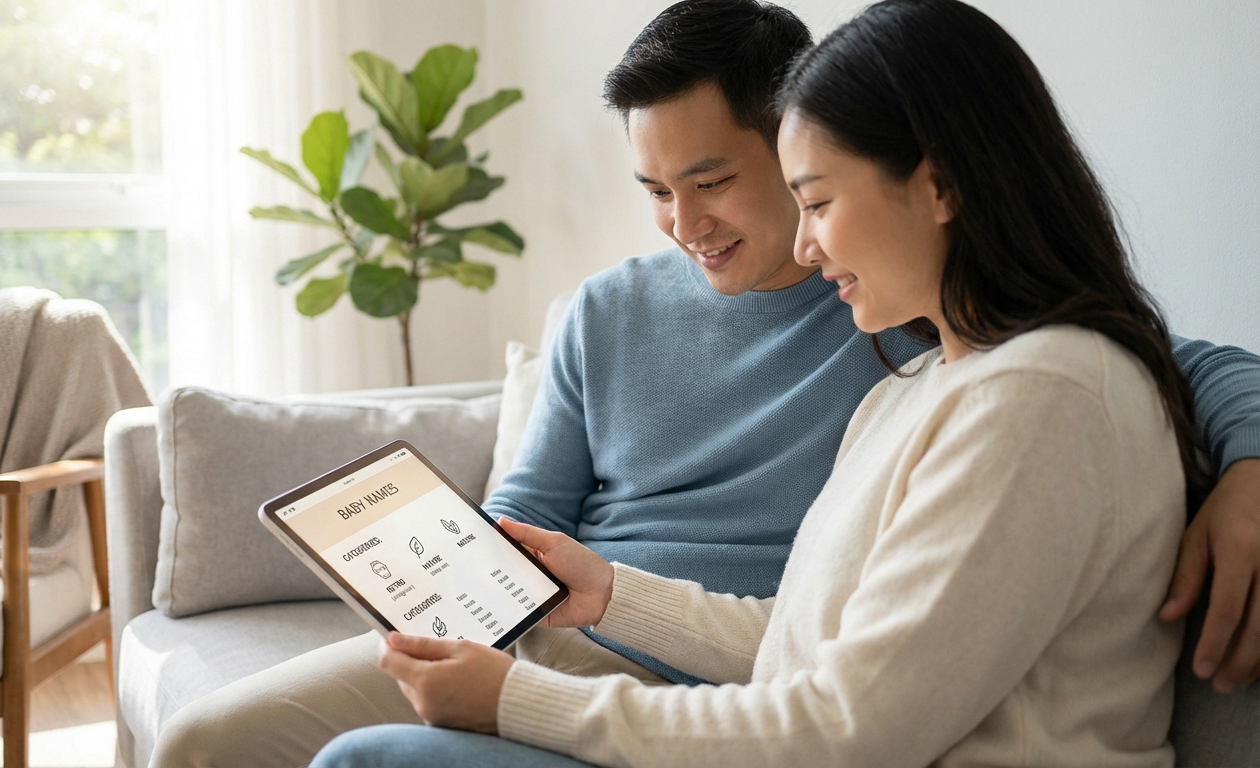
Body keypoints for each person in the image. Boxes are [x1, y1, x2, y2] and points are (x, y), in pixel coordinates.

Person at [148, 2, 1260, 766]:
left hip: (726, 713)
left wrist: (1250, 462)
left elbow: (1147, 359)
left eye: (744, 185)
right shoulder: (910, 375)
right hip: (595, 641)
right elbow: (800, 639)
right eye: (652, 190)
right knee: (219, 739)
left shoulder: (988, 367)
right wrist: (567, 587)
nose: (685, 224)